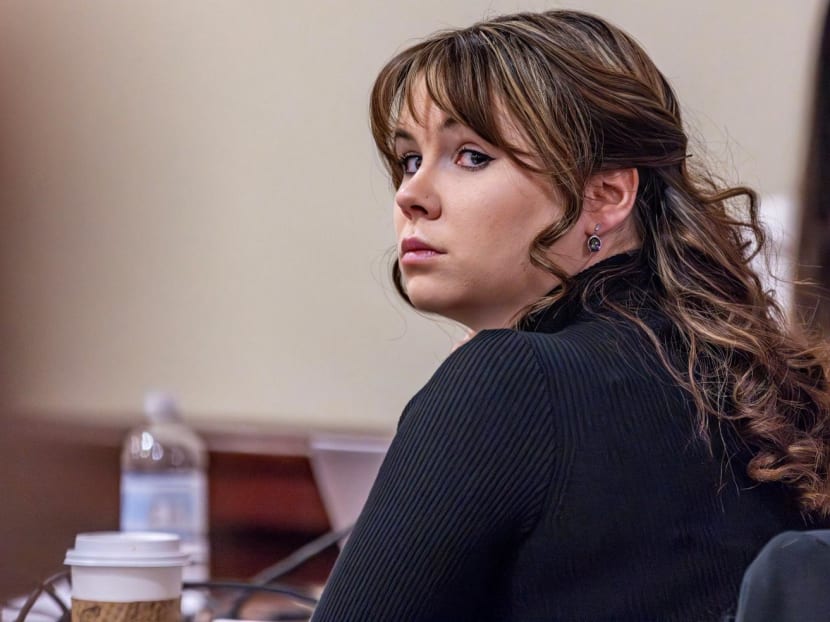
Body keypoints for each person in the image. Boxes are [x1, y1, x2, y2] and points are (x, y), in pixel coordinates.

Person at [311, 10, 830, 622]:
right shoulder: (762, 383)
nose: (410, 195)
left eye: (472, 156)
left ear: (605, 196)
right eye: (408, 160)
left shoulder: (509, 381)